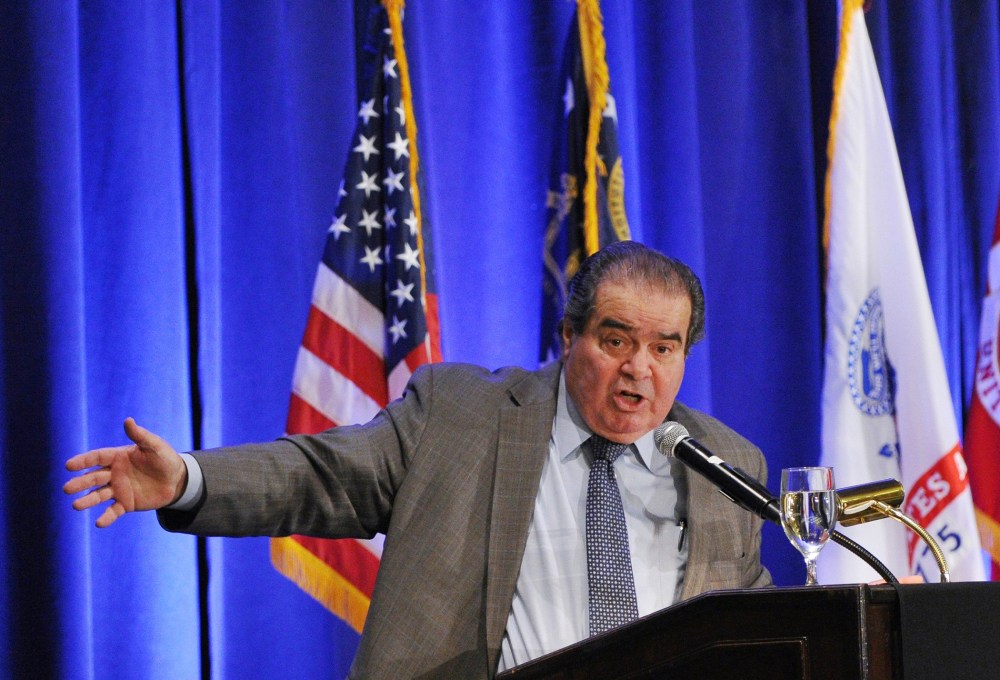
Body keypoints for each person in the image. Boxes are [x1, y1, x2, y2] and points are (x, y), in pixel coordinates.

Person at [64, 241, 771, 679]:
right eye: (615, 341)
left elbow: (750, 632)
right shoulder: (462, 416)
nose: (638, 370)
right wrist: (189, 478)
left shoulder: (725, 468)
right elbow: (322, 475)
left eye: (664, 347)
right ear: (569, 337)